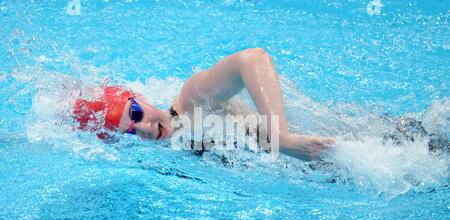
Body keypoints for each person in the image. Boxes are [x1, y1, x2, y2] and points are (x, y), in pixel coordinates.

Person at [73, 48, 335, 161]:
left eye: (137, 113)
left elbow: (252, 59)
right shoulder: (170, 149)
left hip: (330, 142)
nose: (145, 128)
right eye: (129, 131)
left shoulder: (192, 99)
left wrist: (281, 138)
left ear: (139, 96)